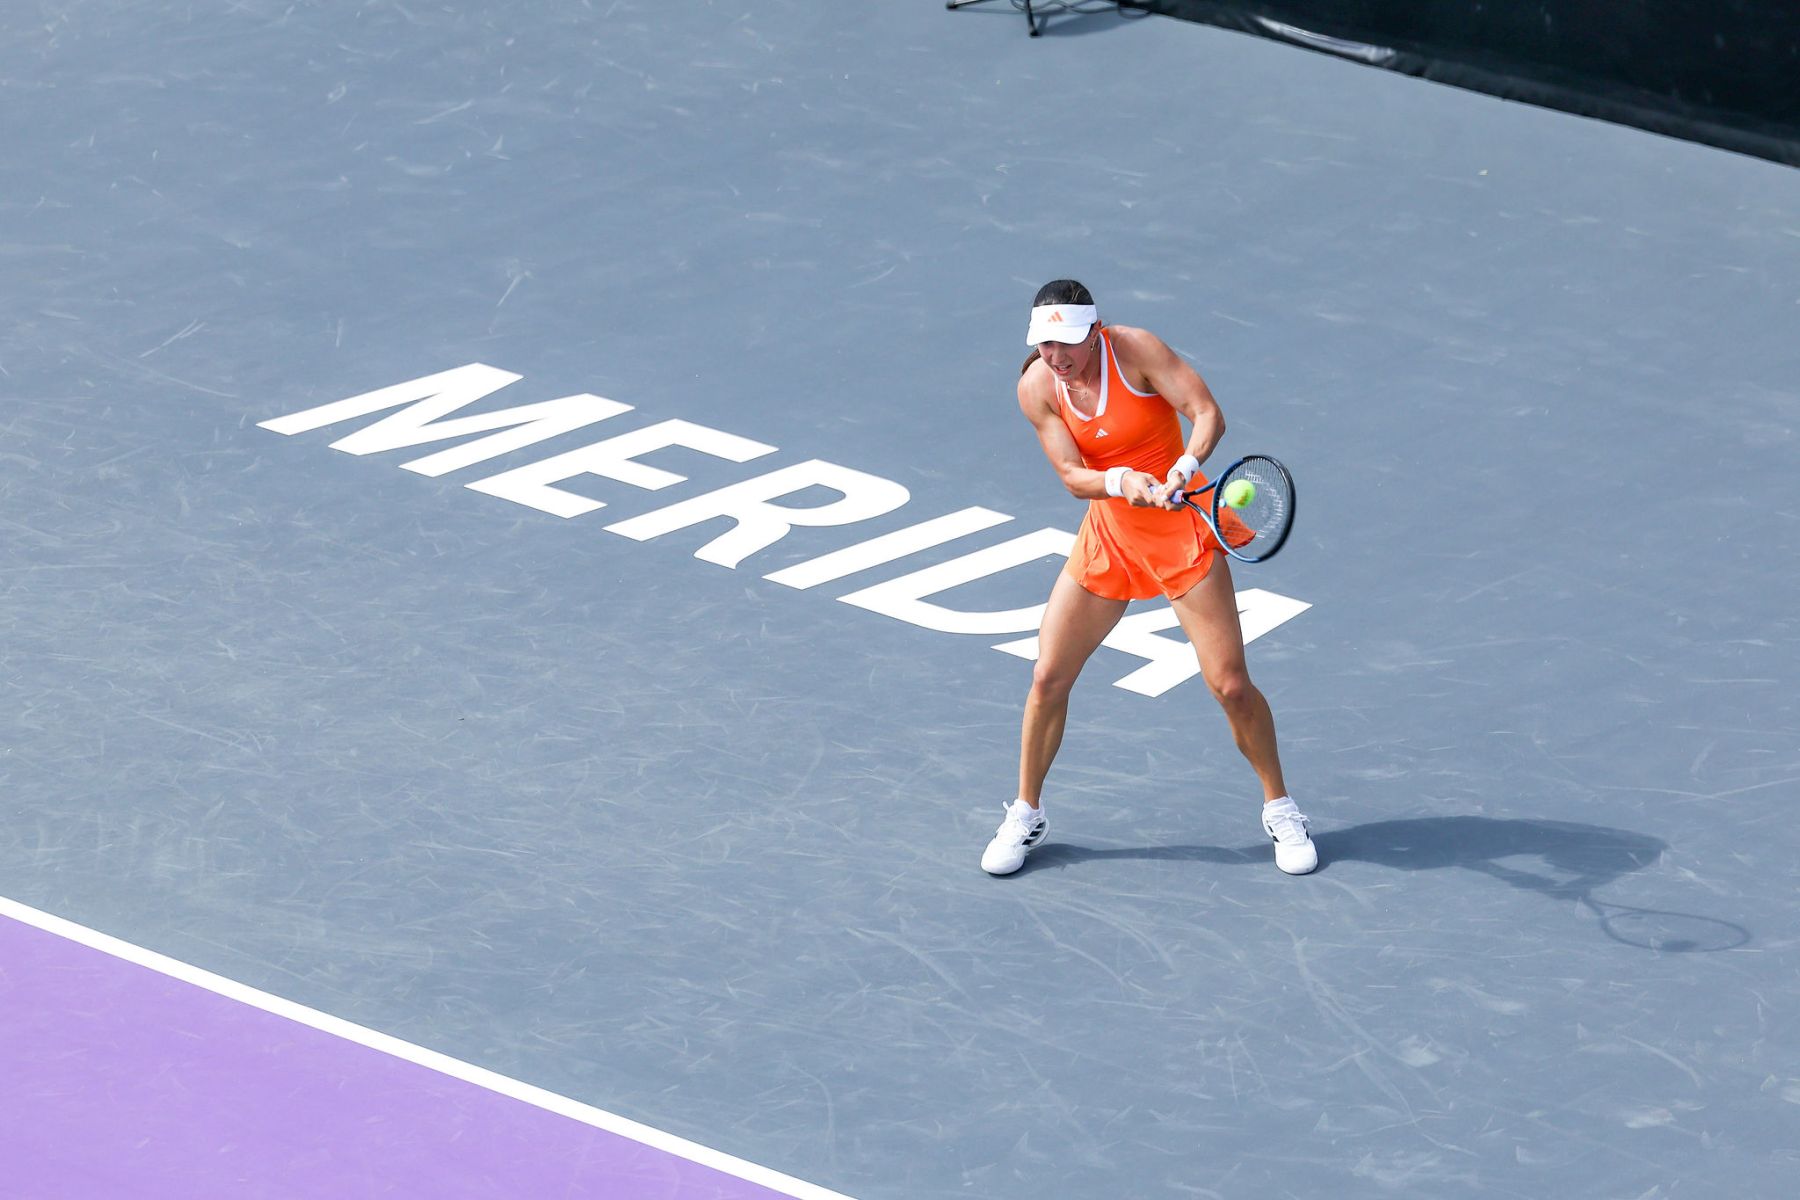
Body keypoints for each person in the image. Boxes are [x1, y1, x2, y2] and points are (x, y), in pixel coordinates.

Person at [980, 279, 1316, 877]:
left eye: (1066, 342)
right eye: (1044, 344)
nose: (1055, 356)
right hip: (1110, 537)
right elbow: (1071, 475)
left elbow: (1206, 413)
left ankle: (1281, 808)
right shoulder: (1037, 388)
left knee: (1230, 685)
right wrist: (1121, 481)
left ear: (1094, 332)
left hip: (1181, 533)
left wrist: (1184, 466)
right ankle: (1026, 812)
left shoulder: (1135, 350)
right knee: (1048, 677)